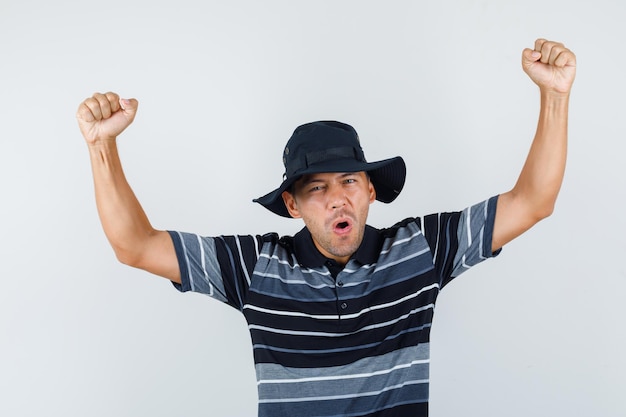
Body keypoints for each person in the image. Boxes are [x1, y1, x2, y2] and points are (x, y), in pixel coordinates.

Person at [76, 38, 576, 417]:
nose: (338, 196)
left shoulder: (419, 250)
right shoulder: (257, 267)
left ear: (370, 190)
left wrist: (554, 97)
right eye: (317, 188)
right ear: (292, 205)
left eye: (349, 180)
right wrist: (102, 147)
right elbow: (135, 245)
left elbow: (532, 202)